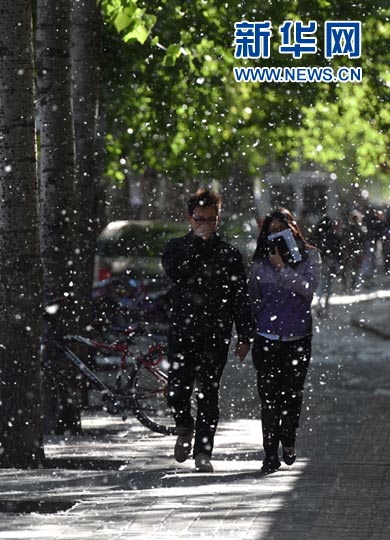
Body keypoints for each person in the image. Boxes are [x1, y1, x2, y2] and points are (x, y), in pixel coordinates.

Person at [162, 187, 252, 473]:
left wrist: (245, 335)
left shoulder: (229, 254)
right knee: (177, 388)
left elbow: (240, 296)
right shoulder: (176, 248)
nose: (206, 225)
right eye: (200, 219)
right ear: (190, 218)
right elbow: (178, 272)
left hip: (216, 331)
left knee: (208, 393)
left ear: (218, 218)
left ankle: (203, 451)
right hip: (182, 329)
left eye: (211, 220)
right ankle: (184, 426)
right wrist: (196, 245)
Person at [249, 208, 321, 474]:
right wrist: (250, 334)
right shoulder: (259, 262)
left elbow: (308, 290)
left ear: (294, 229)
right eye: (272, 231)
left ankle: (288, 439)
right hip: (267, 339)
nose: (278, 235)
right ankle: (270, 453)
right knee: (269, 399)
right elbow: (254, 300)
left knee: (292, 397)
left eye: (283, 229)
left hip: (298, 338)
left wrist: (283, 269)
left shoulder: (311, 256)